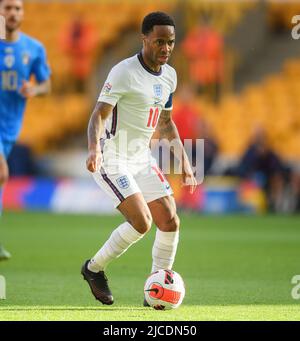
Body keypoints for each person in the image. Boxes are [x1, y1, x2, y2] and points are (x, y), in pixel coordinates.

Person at [81, 12, 197, 306]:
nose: (166, 48)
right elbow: (99, 114)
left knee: (170, 220)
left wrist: (184, 163)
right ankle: (93, 269)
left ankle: (157, 286)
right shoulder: (123, 72)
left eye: (170, 42)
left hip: (140, 157)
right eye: (159, 41)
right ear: (144, 39)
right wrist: (94, 148)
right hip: (112, 157)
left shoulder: (170, 75)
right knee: (142, 222)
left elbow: (167, 123)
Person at [0, 0, 51, 260]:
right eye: (7, 7)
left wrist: (34, 89)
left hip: (9, 127)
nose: (12, 13)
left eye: (17, 8)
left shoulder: (33, 48)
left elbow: (46, 84)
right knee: (1, 172)